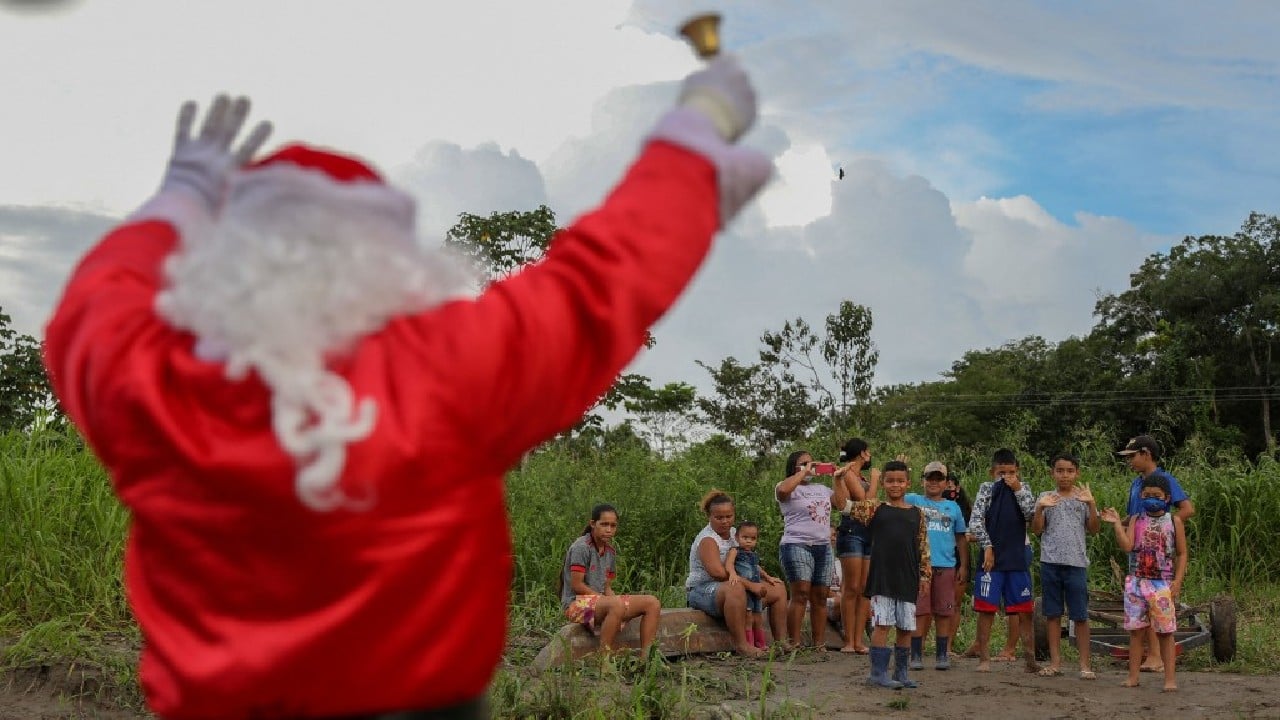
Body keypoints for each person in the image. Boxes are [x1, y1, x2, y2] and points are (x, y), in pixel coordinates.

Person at [43, 55, 773, 719]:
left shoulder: (155, 382)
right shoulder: (452, 364)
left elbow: (95, 303)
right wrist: (694, 137)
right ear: (384, 256)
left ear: (221, 262)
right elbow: (603, 276)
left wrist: (179, 198)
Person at [835, 460, 931, 689]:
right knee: (883, 624)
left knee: (907, 626)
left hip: (908, 578)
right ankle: (878, 673)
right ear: (884, 483)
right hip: (882, 578)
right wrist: (838, 479)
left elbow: (923, 547)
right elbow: (842, 505)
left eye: (900, 481)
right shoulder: (874, 508)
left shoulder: (917, 514)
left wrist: (925, 575)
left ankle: (901, 673)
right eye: (890, 481)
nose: (895, 485)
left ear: (908, 483)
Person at [1100, 474, 1188, 692]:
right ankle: (1133, 677)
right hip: (1136, 583)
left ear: (1166, 498)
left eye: (1156, 496)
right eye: (1147, 495)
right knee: (1136, 632)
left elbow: (1182, 553)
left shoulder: (1174, 521)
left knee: (1166, 633)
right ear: (1141, 496)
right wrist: (1116, 525)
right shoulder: (1136, 519)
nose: (1151, 499)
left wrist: (1177, 581)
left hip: (1162, 583)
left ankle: (1169, 679)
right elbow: (1127, 546)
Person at [1117, 434, 1195, 673]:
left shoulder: (1164, 480)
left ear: (1146, 454)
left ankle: (1155, 656)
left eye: (1132, 456)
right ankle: (1148, 654)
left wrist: (1163, 529)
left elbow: (1187, 509)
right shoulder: (1136, 484)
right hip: (1137, 554)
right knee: (1140, 601)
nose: (1129, 462)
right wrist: (1118, 524)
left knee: (1155, 602)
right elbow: (1133, 518)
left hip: (1158, 557)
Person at [686, 490, 787, 657]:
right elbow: (718, 573)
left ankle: (781, 642)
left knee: (778, 589)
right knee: (735, 588)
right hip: (703, 590)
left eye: (729, 516)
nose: (725, 521)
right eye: (719, 518)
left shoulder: (736, 534)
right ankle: (742, 645)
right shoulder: (708, 539)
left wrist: (765, 578)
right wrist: (750, 585)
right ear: (709, 517)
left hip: (739, 583)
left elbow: (749, 561)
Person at [1030, 454, 1100, 679]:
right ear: (1053, 473)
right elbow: (1037, 530)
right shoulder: (1045, 497)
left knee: (1079, 615)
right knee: (1052, 614)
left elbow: (1094, 528)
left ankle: (1084, 665)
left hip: (1076, 563)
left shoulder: (1083, 498)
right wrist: (1040, 509)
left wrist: (1091, 503)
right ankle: (1055, 663)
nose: (1065, 475)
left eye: (1069, 471)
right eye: (1060, 470)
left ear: (1077, 473)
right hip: (1050, 562)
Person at [968, 449, 1039, 673]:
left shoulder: (1024, 488)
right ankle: (985, 658)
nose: (1006, 477)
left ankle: (1030, 659)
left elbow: (1032, 516)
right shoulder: (986, 489)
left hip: (1017, 558)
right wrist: (987, 546)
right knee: (986, 608)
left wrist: (1017, 489)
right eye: (1001, 472)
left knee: (1024, 609)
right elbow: (976, 521)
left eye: (1010, 472)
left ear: (1017, 471)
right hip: (990, 559)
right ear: (993, 472)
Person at [559, 504, 662, 654]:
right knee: (616, 605)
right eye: (604, 524)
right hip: (576, 606)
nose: (609, 530)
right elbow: (577, 585)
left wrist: (615, 602)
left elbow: (607, 587)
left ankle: (646, 659)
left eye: (613, 525)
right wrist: (609, 602)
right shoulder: (581, 547)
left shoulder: (610, 551)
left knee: (652, 602)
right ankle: (604, 657)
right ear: (593, 524)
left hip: (601, 604)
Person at [905, 461, 967, 671]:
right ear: (922, 480)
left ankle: (942, 653)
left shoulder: (953, 507)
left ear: (946, 483)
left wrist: (964, 566)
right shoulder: (913, 500)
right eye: (929, 478)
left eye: (938, 478)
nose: (933, 482)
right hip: (920, 567)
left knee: (944, 611)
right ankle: (916, 654)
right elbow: (893, 495)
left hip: (946, 565)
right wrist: (904, 470)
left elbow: (960, 538)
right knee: (920, 611)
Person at [777, 450, 837, 649]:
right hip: (796, 543)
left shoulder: (822, 489)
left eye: (812, 463)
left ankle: (819, 644)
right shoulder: (787, 487)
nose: (810, 466)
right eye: (804, 463)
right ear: (794, 467)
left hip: (822, 545)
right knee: (801, 593)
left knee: (820, 595)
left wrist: (839, 478)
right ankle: (794, 642)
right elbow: (783, 492)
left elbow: (840, 502)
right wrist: (803, 473)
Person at [833, 438, 877, 654]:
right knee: (851, 588)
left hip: (869, 531)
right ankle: (849, 640)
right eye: (868, 451)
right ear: (862, 453)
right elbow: (864, 499)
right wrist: (876, 481)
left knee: (864, 589)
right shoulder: (849, 472)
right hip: (852, 531)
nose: (870, 455)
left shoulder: (861, 475)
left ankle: (859, 640)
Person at [726, 520, 779, 650]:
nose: (749, 541)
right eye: (745, 537)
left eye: (753, 538)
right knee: (748, 618)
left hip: (757, 590)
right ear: (737, 537)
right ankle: (749, 644)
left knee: (758, 617)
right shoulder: (735, 551)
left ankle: (761, 643)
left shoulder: (753, 555)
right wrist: (732, 573)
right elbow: (729, 564)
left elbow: (757, 568)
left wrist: (768, 577)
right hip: (746, 590)